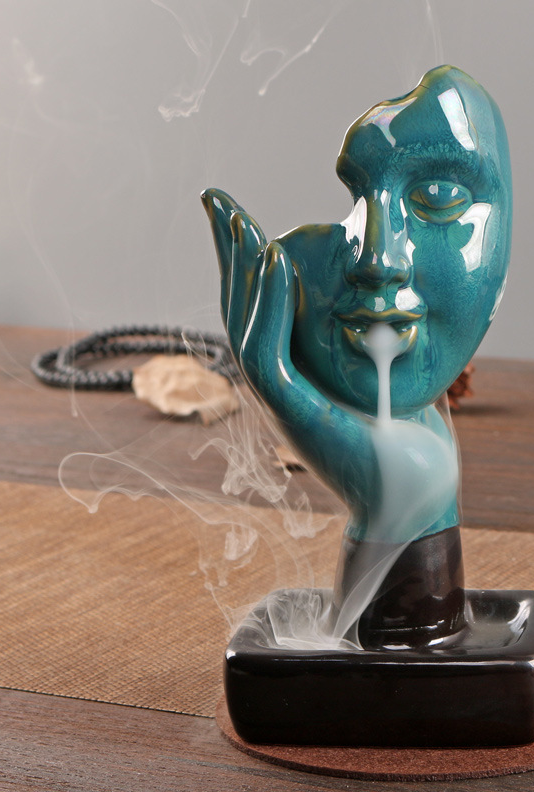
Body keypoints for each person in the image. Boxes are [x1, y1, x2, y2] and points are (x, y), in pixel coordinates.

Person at [202, 65, 512, 647]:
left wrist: (280, 382)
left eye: (438, 197)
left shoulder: (423, 459)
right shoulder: (421, 455)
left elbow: (412, 479)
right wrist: (283, 384)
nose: (377, 259)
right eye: (361, 205)